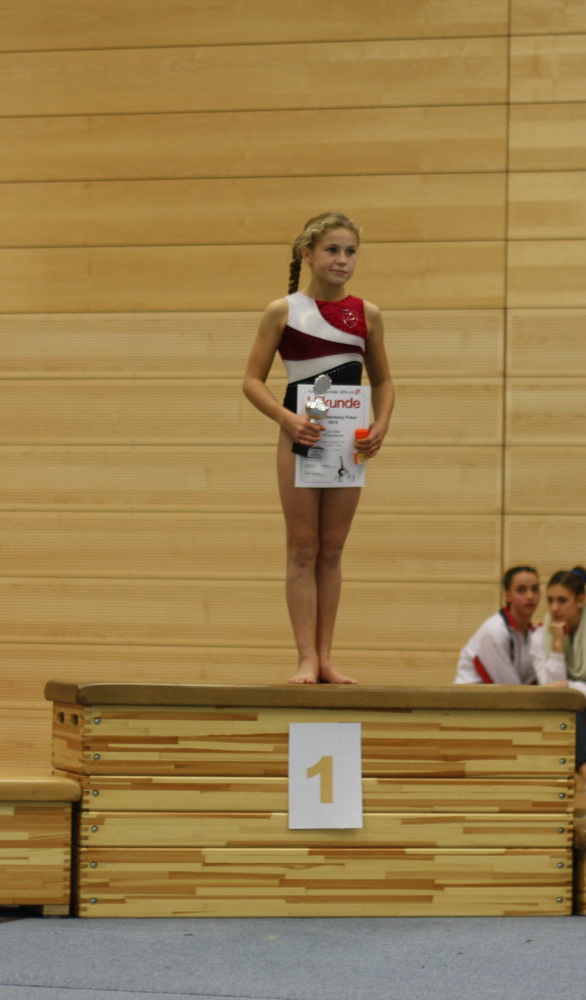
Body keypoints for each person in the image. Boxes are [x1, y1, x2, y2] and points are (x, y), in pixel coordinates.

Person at [242, 212, 393, 684]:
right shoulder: (283, 311)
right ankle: (305, 657)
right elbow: (251, 381)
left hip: (348, 439)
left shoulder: (367, 314)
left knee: (332, 548)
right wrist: (286, 418)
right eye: (332, 250)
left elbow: (383, 381)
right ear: (307, 254)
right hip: (302, 436)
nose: (342, 260)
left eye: (350, 252)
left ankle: (326, 656)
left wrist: (381, 424)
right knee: (303, 546)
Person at [531, 567, 586, 801]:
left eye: (562, 600)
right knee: (561, 721)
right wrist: (557, 646)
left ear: (580, 600)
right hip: (559, 720)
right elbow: (551, 694)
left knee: (565, 723)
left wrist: (567, 686)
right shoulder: (540, 635)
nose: (554, 608)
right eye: (550, 600)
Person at [455, 566, 541, 686]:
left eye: (535, 589)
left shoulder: (534, 634)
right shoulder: (495, 630)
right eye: (522, 590)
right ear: (508, 596)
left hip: (502, 696)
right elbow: (510, 689)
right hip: (470, 696)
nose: (530, 596)